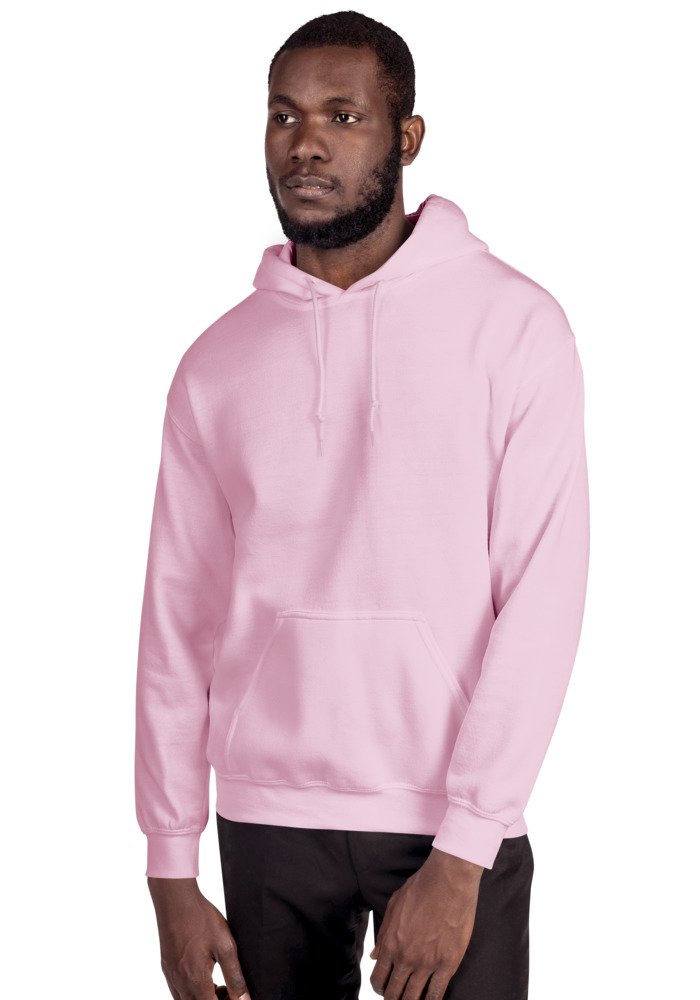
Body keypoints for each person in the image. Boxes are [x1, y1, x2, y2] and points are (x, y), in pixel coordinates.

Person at [134, 10, 590, 1000]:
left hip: (450, 821)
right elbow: (176, 618)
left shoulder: (515, 327)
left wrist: (465, 847)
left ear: (407, 137)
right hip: (265, 816)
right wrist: (170, 864)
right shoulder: (217, 363)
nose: (305, 143)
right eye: (284, 116)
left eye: (343, 116)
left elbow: (543, 599)